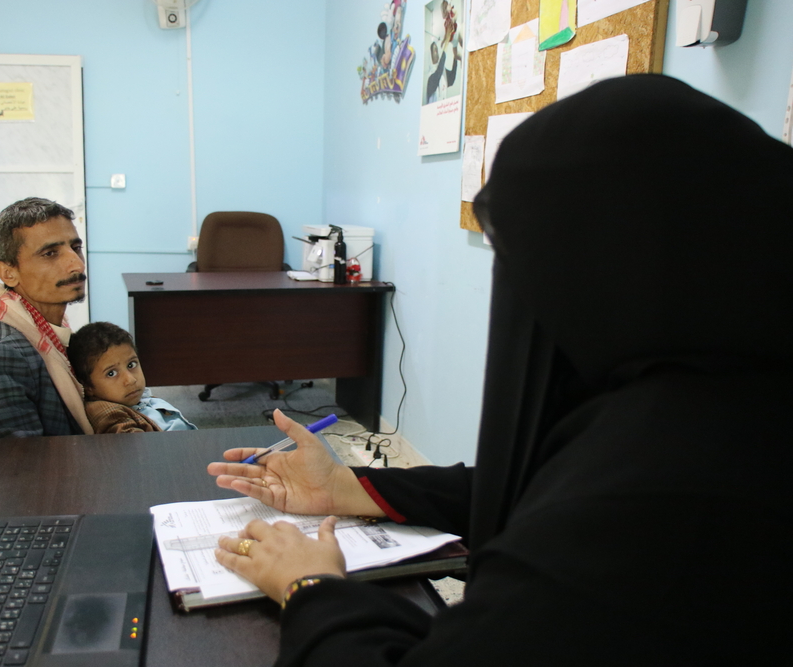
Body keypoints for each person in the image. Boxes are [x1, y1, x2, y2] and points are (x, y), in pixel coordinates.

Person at [208, 75, 793, 665]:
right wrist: (349, 486)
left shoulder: (661, 495)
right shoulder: (732, 400)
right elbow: (521, 485)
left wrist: (310, 588)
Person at [0, 197, 94, 438]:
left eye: (75, 248)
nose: (76, 265)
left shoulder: (52, 328)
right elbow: (21, 468)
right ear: (8, 273)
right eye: (50, 253)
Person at [67, 321, 196, 433]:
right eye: (111, 373)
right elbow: (138, 451)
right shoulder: (108, 415)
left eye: (131, 364)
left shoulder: (133, 398)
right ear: (88, 386)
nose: (131, 380)